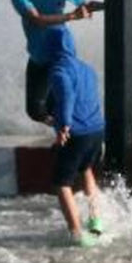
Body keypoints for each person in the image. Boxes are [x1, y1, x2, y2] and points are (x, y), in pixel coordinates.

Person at [39, 26, 107, 246]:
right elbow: (87, 98)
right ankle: (96, 220)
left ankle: (77, 234)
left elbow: (67, 95)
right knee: (86, 169)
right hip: (96, 129)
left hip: (76, 133)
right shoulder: (87, 68)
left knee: (62, 183)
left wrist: (64, 124)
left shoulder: (59, 70)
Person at [11, 0, 91, 124]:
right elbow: (37, 20)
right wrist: (71, 16)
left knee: (61, 105)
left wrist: (95, 7)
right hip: (38, 57)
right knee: (36, 111)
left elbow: (85, 3)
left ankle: (75, 135)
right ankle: (68, 132)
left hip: (61, 54)